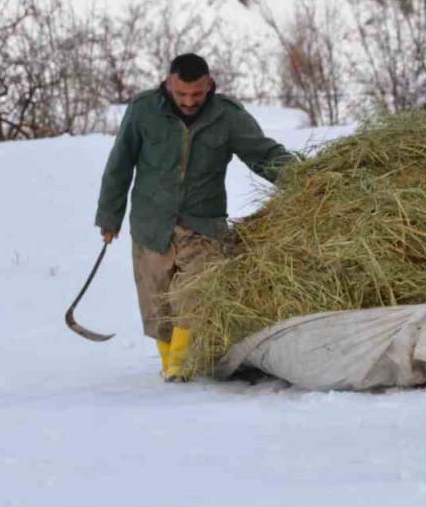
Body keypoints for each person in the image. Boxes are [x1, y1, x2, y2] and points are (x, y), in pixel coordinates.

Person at [95, 53, 294, 382]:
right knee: (157, 302)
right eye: (182, 94)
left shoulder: (227, 116)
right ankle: (170, 363)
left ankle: (179, 367)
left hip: (203, 225)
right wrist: (109, 217)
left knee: (196, 293)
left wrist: (304, 178)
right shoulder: (143, 110)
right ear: (168, 83)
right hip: (151, 224)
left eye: (197, 94)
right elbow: (120, 164)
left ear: (209, 85)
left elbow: (263, 154)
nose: (189, 101)